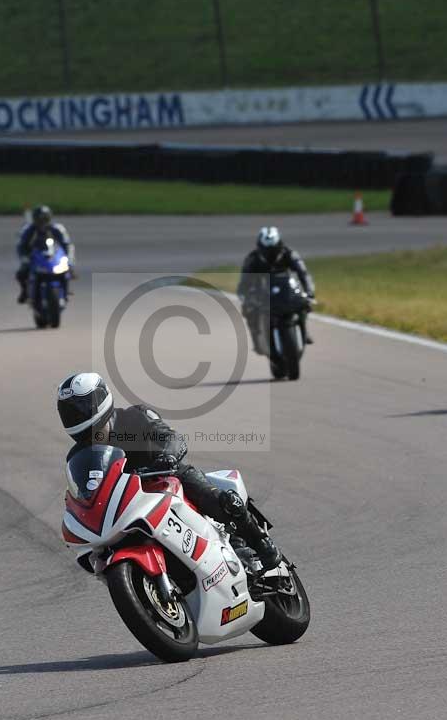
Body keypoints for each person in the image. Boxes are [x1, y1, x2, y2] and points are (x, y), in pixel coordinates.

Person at [57, 372, 282, 571]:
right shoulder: (79, 456)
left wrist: (168, 456)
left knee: (212, 494)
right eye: (71, 413)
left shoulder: (135, 416)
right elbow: (86, 492)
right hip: (128, 503)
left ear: (100, 399)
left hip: (166, 477)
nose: (78, 417)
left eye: (81, 409)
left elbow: (171, 437)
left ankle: (259, 542)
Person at [237, 226, 315, 352]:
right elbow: (243, 283)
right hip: (262, 291)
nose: (270, 254)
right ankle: (257, 340)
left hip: (286, 289)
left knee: (304, 303)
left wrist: (309, 292)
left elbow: (303, 274)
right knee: (248, 310)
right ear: (260, 247)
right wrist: (245, 297)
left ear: (279, 245)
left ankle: (304, 331)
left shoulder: (289, 254)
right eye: (267, 250)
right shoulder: (252, 259)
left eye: (273, 250)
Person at [15, 204, 75, 304]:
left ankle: (65, 291)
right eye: (40, 219)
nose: (42, 222)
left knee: (66, 271)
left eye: (45, 219)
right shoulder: (29, 230)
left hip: (52, 257)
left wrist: (68, 260)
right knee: (21, 273)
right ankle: (24, 292)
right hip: (35, 257)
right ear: (35, 219)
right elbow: (21, 246)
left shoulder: (57, 229)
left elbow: (67, 245)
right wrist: (25, 258)